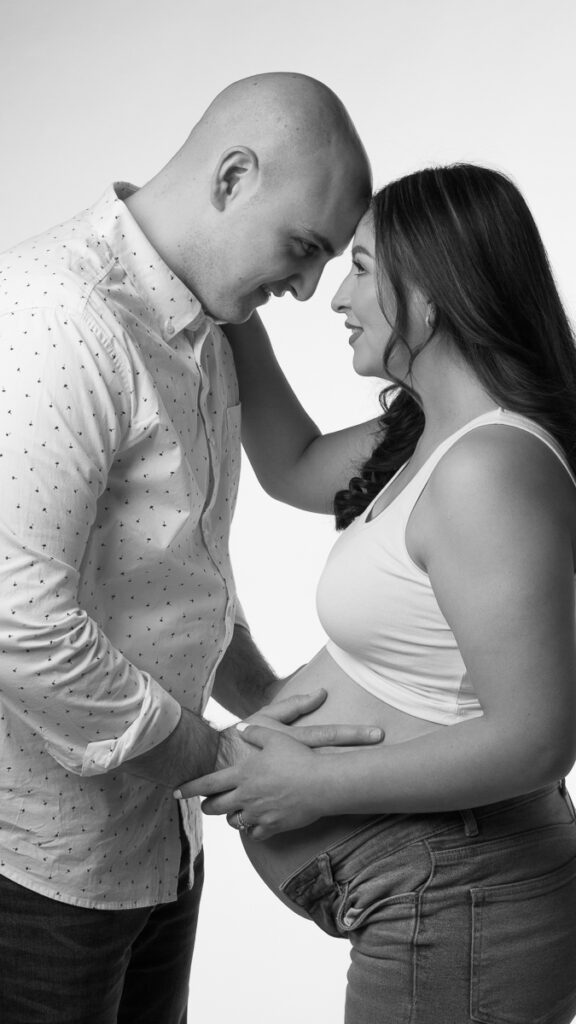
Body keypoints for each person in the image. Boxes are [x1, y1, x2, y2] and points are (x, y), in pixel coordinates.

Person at [0, 72, 380, 1024]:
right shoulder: (63, 317)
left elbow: (173, 571)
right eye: (303, 250)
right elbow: (17, 616)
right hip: (42, 872)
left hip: (156, 848)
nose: (304, 289)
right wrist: (213, 755)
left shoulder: (204, 315)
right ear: (232, 177)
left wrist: (265, 706)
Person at [180, 164, 576, 1023]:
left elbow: (540, 741)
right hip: (442, 894)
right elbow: (291, 466)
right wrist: (228, 297)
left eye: (360, 267)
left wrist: (316, 789)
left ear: (430, 294)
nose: (335, 296)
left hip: (470, 900)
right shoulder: (428, 436)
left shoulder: (490, 467)